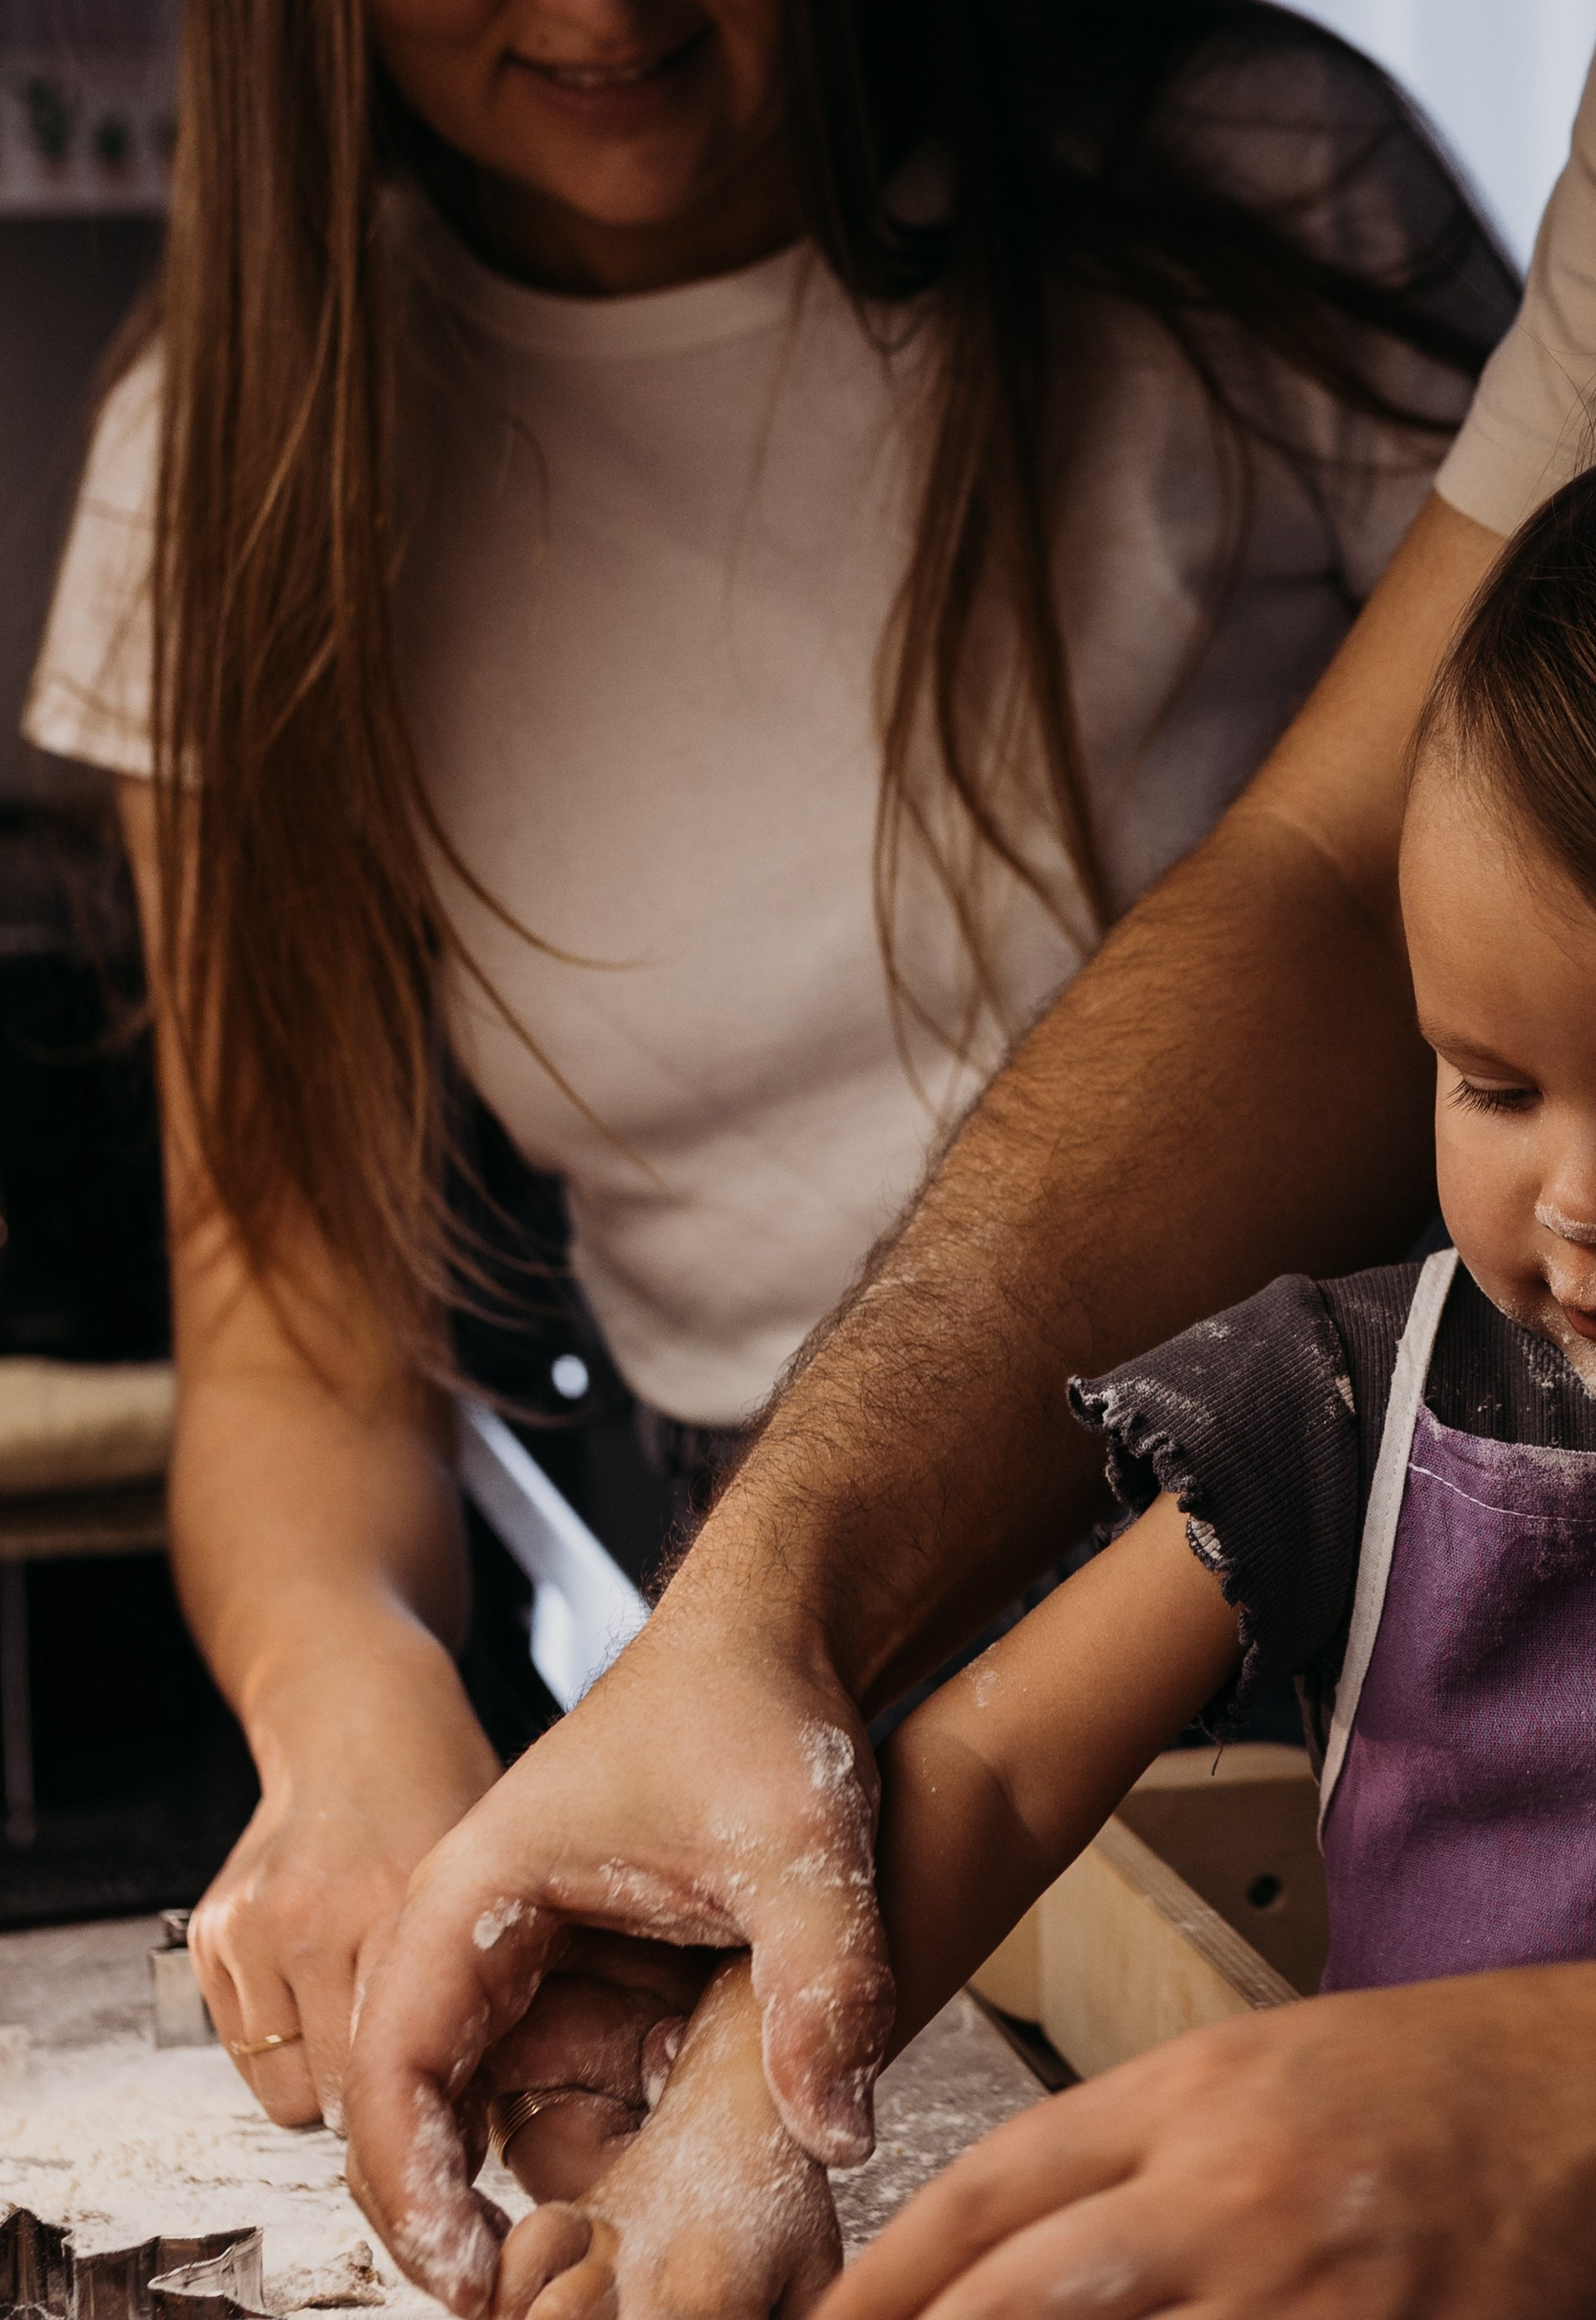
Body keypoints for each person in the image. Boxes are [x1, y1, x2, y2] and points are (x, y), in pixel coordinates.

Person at [344, 0, 1596, 2320]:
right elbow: (992, 1765)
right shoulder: (1349, 1400)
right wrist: (733, 2129)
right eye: (1484, 1083)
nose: (1579, 1206)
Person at [23, 0, 1511, 2179]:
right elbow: (292, 1326)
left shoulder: (1252, 184)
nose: (603, 10)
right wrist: (350, 1701)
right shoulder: (229, 451)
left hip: (1383, 1555)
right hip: (768, 1675)